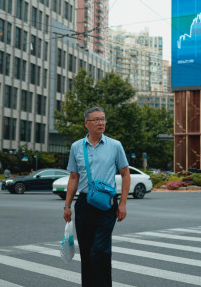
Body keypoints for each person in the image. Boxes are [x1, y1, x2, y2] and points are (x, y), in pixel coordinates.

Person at [63, 107, 131, 286]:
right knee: (86, 251)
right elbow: (73, 177)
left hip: (107, 204)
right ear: (87, 123)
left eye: (103, 119)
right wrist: (67, 205)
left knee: (99, 250)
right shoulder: (76, 147)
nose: (101, 123)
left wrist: (122, 203)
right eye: (96, 120)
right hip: (84, 203)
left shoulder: (115, 145)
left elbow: (125, 174)